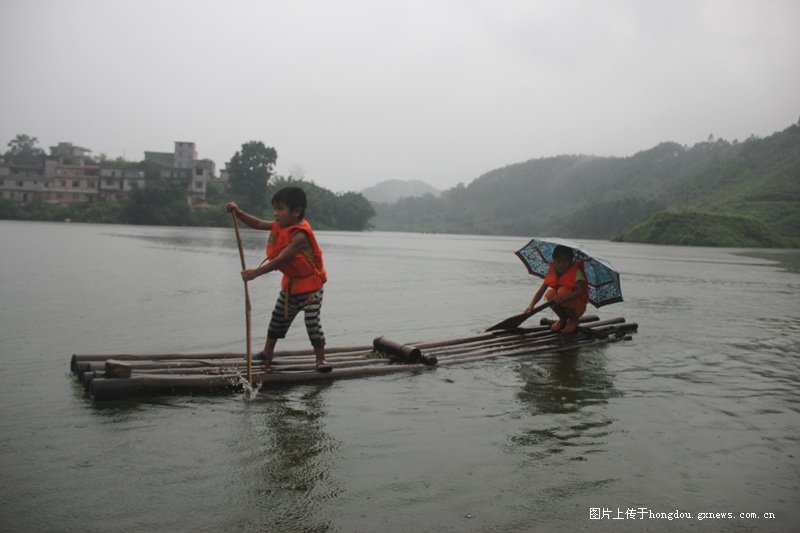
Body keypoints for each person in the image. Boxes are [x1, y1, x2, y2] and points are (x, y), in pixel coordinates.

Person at [225, 187, 331, 372]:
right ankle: (267, 353)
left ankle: (320, 360)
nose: (275, 214)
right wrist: (238, 212)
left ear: (296, 211)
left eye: (280, 209)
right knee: (277, 319)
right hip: (291, 287)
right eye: (275, 208)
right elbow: (257, 223)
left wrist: (255, 273)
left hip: (311, 288)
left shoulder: (300, 235)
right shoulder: (280, 226)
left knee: (312, 322)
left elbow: (282, 259)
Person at [525, 244, 588, 334]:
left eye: (565, 261)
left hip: (577, 306)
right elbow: (542, 290)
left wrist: (563, 298)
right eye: (558, 261)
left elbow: (581, 291)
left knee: (562, 291)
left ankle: (574, 320)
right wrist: (531, 306)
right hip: (563, 302)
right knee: (550, 294)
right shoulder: (552, 271)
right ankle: (563, 319)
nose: (561, 264)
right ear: (553, 261)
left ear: (571, 261)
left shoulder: (576, 272)